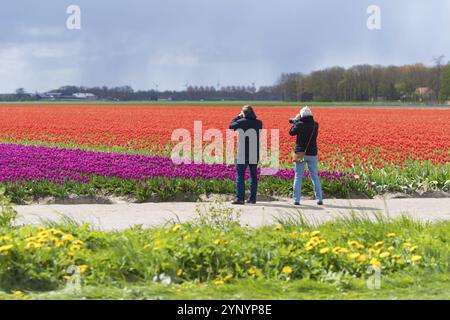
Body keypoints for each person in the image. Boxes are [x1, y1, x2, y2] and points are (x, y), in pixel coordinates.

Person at [289, 106, 323, 206]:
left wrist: (296, 121)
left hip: (300, 152)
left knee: (298, 176)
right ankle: (319, 199)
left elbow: (291, 132)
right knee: (314, 176)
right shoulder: (315, 125)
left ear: (302, 115)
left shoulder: (299, 124)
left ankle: (296, 200)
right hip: (312, 153)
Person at [229, 105, 263, 205]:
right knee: (253, 175)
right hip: (254, 152)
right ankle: (252, 199)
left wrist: (239, 116)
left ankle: (240, 198)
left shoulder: (241, 122)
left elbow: (231, 126)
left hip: (242, 153)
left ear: (244, 113)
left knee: (240, 175)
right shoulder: (259, 123)